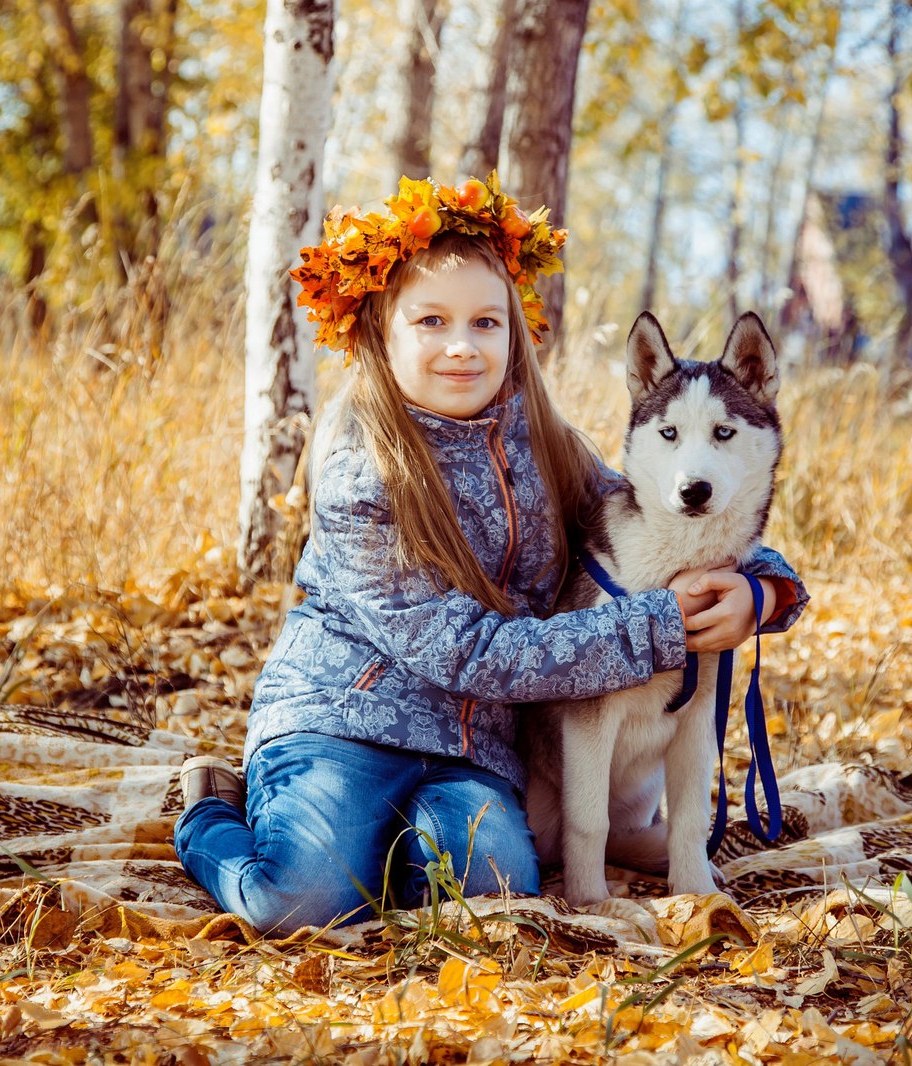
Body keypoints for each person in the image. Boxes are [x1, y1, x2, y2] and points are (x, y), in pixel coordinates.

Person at [173, 175, 808, 934]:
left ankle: (381, 849)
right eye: (432, 320)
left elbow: (656, 514)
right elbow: (470, 653)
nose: (461, 346)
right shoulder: (359, 467)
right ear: (381, 329)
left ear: (515, 332)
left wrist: (764, 593)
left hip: (474, 749)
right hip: (340, 726)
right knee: (299, 901)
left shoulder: (544, 442)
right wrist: (662, 627)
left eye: (486, 322)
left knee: (496, 887)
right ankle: (210, 809)